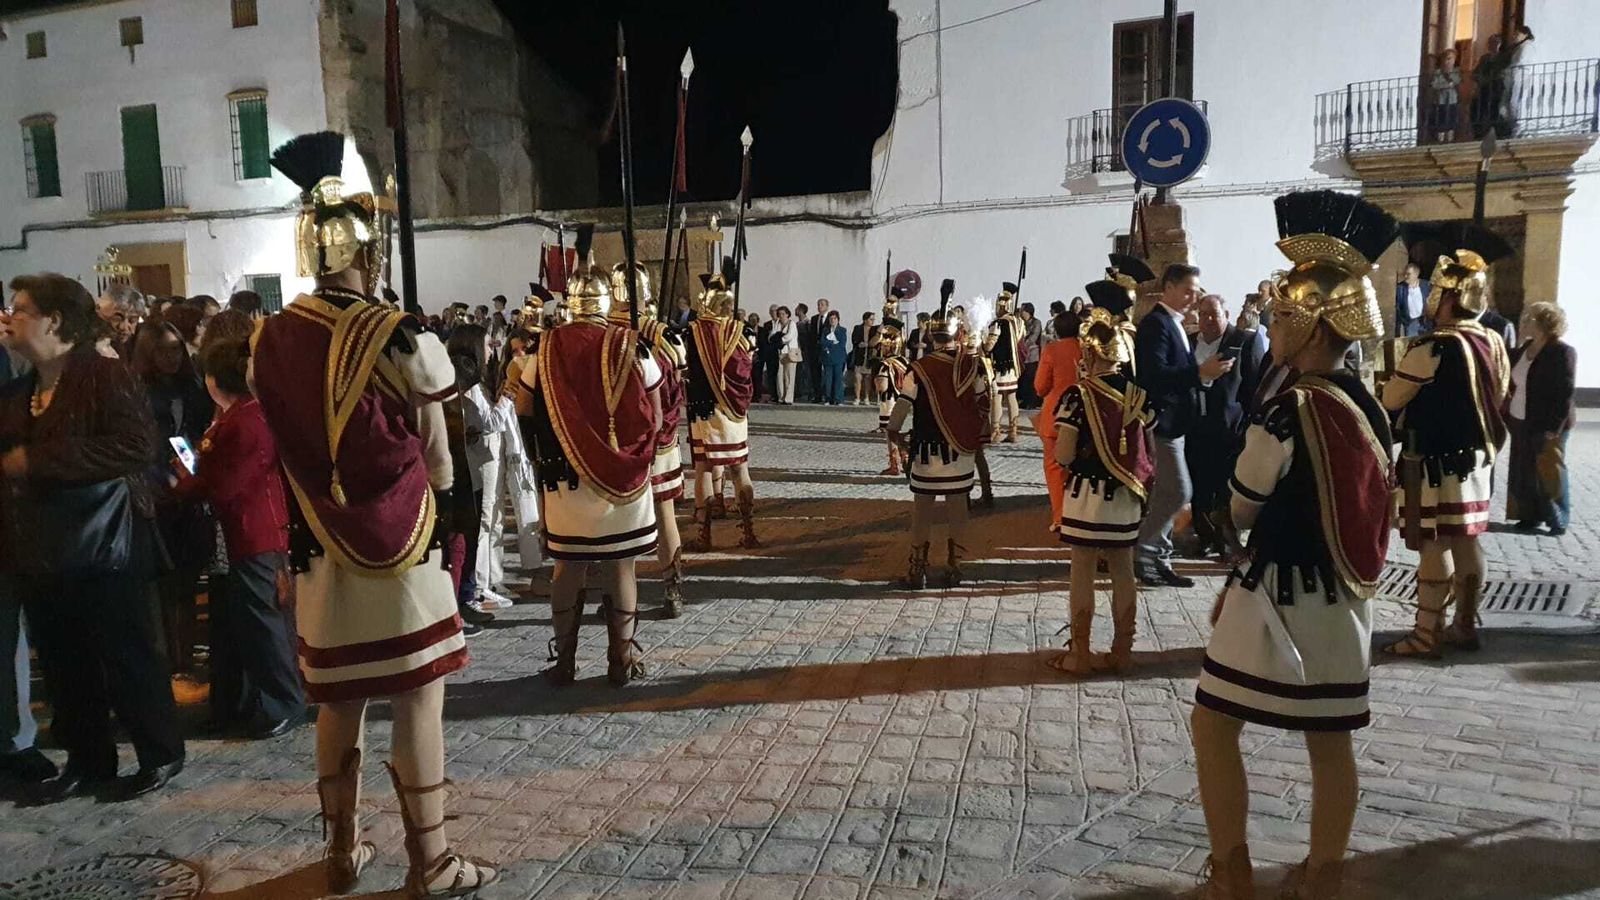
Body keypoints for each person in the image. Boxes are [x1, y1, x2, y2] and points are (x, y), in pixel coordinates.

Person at [253, 132, 493, 895]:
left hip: (317, 543)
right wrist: (401, 319)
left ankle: (341, 851)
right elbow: (439, 377)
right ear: (369, 248)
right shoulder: (387, 333)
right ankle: (432, 859)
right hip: (398, 540)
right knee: (418, 693)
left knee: (340, 701)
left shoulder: (270, 335)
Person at [1193, 190, 1399, 900]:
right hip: (1345, 596)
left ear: (1315, 326)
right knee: (1329, 738)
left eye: (1284, 315)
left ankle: (1232, 872)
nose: (1274, 326)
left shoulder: (1290, 406)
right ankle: (1323, 875)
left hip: (1281, 594)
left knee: (1214, 722)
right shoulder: (1366, 400)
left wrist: (1222, 510)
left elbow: (1244, 506)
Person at [0, 273, 185, 802]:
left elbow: (135, 446)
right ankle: (87, 759)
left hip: (106, 545)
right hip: (42, 549)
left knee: (126, 654)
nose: (10, 316)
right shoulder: (23, 386)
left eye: (21, 308)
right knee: (64, 662)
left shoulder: (103, 374)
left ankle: (160, 752)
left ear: (54, 320)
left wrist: (39, 461)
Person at [517, 231, 661, 686]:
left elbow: (522, 410)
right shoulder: (631, 345)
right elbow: (655, 411)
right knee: (621, 566)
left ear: (571, 303)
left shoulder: (545, 348)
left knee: (568, 566)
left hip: (565, 481)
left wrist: (545, 458)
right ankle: (621, 660)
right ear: (605, 302)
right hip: (623, 480)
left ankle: (565, 660)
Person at [1384, 231, 1511, 659]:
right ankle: (1464, 624)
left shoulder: (1434, 346)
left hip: (1437, 459)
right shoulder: (1492, 340)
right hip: (1478, 458)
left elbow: (1391, 399)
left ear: (1449, 298)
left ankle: (1425, 634)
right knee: (1469, 540)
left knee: (1435, 543)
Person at [173, 338, 306, 739]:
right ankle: (241, 702)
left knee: (264, 623)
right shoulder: (243, 416)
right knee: (238, 627)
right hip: (244, 535)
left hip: (252, 534)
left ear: (213, 380)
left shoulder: (243, 421)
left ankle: (283, 702)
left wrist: (183, 480)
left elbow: (224, 484)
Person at [1049, 309, 1154, 676]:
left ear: (1089, 354)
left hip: (1086, 496)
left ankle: (1080, 653)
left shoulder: (1077, 396)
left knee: (1082, 570)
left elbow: (1063, 453)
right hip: (1126, 495)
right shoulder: (1139, 395)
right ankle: (1122, 650)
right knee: (1124, 570)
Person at [1134, 263, 1233, 588]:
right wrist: (1200, 372)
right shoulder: (1156, 325)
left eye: (1197, 291)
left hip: (1179, 424)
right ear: (1170, 288)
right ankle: (1144, 551)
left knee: (1168, 492)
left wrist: (1204, 376)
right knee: (1179, 491)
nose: (1193, 298)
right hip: (1163, 423)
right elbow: (1153, 376)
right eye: (1189, 291)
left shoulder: (1175, 324)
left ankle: (1158, 559)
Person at [889, 280, 987, 587]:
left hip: (927, 450)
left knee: (922, 512)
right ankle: (955, 568)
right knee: (958, 508)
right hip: (960, 452)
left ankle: (917, 569)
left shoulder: (918, 368)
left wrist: (893, 432)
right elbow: (984, 403)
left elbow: (902, 406)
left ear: (930, 336)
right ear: (958, 333)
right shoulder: (971, 366)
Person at [131, 319, 215, 673]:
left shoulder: (193, 386)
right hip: (155, 488)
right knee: (164, 582)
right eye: (162, 350)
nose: (171, 357)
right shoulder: (137, 389)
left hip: (189, 484)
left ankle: (186, 652)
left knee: (187, 576)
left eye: (176, 348)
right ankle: (169, 656)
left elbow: (198, 429)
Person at [608, 264, 690, 618]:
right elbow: (677, 389)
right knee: (664, 512)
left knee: (619, 523)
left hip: (619, 444)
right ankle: (673, 590)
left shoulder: (605, 335)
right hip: (661, 442)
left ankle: (619, 598)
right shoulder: (668, 337)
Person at [684, 272, 759, 550]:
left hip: (704, 409)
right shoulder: (743, 333)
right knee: (740, 469)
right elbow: (747, 370)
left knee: (704, 469)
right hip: (735, 411)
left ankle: (705, 535)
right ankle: (748, 531)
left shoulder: (693, 331)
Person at [1186, 294, 1265, 559]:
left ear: (1226, 315)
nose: (1209, 320)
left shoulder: (1245, 341)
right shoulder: (1188, 342)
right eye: (1204, 314)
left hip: (1230, 430)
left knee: (1225, 487)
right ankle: (1204, 535)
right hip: (1195, 428)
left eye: (1214, 314)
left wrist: (1249, 425)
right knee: (1199, 485)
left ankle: (1227, 539)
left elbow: (1256, 387)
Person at [1505, 301, 1575, 535]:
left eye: (1529, 318)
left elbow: (1564, 392)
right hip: (1520, 417)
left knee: (1549, 470)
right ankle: (1528, 516)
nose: (1523, 322)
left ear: (1544, 324)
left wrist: (1554, 427)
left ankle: (1558, 519)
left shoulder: (1561, 352)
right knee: (1523, 469)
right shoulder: (1525, 348)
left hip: (1548, 422)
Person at [1033, 310, 1082, 532]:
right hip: (1084, 416)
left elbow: (1040, 387)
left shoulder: (1052, 350)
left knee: (1055, 469)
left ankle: (1061, 518)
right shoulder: (1087, 349)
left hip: (1055, 417)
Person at [874, 302, 912, 475]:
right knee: (896, 430)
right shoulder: (906, 362)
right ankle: (904, 457)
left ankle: (896, 462)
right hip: (905, 399)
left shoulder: (885, 364)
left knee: (890, 431)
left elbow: (882, 386)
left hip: (889, 400)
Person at [984, 283, 1025, 443]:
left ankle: (995, 431)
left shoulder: (999, 323)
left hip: (1000, 365)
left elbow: (989, 345)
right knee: (1012, 397)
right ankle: (1013, 431)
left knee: (997, 397)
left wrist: (983, 344)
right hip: (1013, 367)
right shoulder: (1019, 322)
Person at [1471, 33, 1506, 138]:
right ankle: (1479, 133)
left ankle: (1498, 134)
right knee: (1478, 110)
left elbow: (1501, 73)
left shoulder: (1502, 57)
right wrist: (1478, 78)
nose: (1492, 45)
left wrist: (1488, 78)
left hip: (1496, 89)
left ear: (1500, 44)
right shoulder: (1484, 58)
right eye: (1490, 42)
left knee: (1495, 111)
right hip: (1484, 89)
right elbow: (1476, 72)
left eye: (1495, 42)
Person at [97, 283, 145, 359]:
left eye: (132, 320)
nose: (124, 327)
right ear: (99, 314)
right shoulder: (94, 351)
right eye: (117, 319)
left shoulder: (138, 345)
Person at [1430, 48, 1462, 142]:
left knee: (1451, 121)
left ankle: (1450, 141)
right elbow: (1434, 84)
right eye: (1446, 58)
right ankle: (1440, 141)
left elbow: (1457, 81)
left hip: (1452, 100)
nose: (1448, 61)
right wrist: (1447, 85)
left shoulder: (1455, 71)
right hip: (1440, 101)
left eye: (1450, 58)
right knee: (1441, 121)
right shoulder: (1438, 72)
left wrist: (1447, 83)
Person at [1018, 302, 1044, 409]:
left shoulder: (1036, 323)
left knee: (1031, 379)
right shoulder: (1020, 323)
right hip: (1022, 356)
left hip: (1032, 355)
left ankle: (1032, 402)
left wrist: (1022, 345)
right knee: (1023, 379)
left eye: (1022, 310)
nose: (1020, 312)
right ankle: (1024, 400)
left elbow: (1033, 337)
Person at [1395, 262, 1430, 338]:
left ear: (1416, 274)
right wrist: (1404, 321)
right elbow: (1398, 307)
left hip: (1425, 323)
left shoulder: (1427, 285)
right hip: (1410, 324)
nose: (1406, 276)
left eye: (1408, 274)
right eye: (1405, 274)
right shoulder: (1400, 288)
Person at [820, 310, 849, 405]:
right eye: (831, 318)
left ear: (838, 319)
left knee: (838, 379)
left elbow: (841, 344)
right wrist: (832, 342)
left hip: (839, 358)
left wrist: (829, 344)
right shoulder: (825, 330)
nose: (832, 320)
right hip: (827, 358)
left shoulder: (842, 330)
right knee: (828, 379)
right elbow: (822, 342)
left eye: (834, 318)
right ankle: (828, 398)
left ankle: (838, 399)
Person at [805, 299, 831, 403]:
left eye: (822, 305)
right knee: (815, 373)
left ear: (827, 306)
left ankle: (828, 395)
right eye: (818, 305)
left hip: (826, 349)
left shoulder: (831, 317)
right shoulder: (815, 318)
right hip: (815, 350)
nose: (820, 306)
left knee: (827, 373)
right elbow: (812, 335)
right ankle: (817, 395)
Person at [773, 306, 799, 404]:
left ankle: (788, 398)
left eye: (783, 314)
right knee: (779, 376)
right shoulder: (777, 323)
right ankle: (781, 397)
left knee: (789, 376)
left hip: (790, 352)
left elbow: (789, 336)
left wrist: (779, 340)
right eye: (779, 314)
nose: (781, 316)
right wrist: (775, 338)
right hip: (780, 353)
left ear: (787, 314)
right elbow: (772, 334)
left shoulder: (792, 324)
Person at [851, 311, 876, 405]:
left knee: (868, 379)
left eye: (873, 319)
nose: (872, 321)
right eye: (871, 319)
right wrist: (859, 343)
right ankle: (857, 398)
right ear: (865, 320)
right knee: (857, 378)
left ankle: (866, 397)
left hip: (869, 356)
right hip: (859, 356)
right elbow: (854, 340)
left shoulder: (874, 330)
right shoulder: (858, 328)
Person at [754, 305, 776, 403]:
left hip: (778, 353)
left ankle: (777, 395)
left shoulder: (783, 323)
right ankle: (772, 394)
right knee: (770, 375)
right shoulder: (767, 325)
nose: (773, 313)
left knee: (778, 375)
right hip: (768, 354)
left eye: (775, 311)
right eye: (771, 311)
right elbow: (764, 341)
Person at [793, 302, 813, 401]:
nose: (795, 311)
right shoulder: (797, 324)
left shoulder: (807, 323)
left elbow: (809, 338)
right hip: (798, 350)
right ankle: (799, 391)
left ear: (801, 310)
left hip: (806, 351)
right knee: (799, 371)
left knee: (807, 371)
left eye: (797, 309)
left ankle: (809, 392)